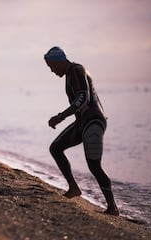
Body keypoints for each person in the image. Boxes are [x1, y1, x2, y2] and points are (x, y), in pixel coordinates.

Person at [44, 46, 119, 216]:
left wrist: (61, 116)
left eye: (52, 66)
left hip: (93, 121)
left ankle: (112, 207)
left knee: (94, 166)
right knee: (55, 148)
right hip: (82, 122)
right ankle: (74, 188)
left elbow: (83, 98)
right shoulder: (70, 72)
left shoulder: (76, 70)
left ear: (59, 61)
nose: (52, 70)